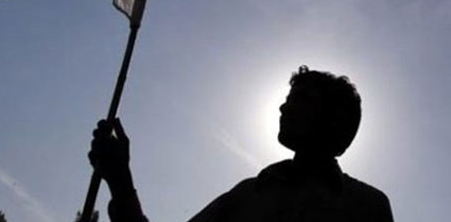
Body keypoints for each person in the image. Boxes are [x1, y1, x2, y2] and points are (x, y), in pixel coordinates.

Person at [88, 66, 394, 222]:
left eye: (302, 99)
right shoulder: (247, 195)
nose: (283, 108)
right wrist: (120, 182)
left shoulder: (366, 206)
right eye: (288, 99)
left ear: (334, 121)